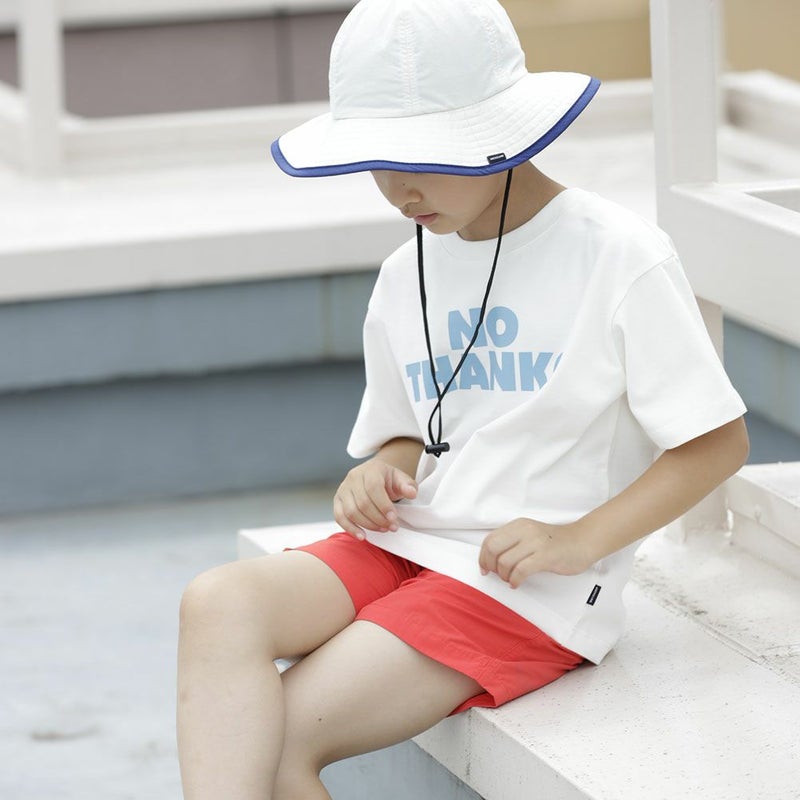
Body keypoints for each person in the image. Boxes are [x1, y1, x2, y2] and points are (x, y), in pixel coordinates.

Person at [176, 1, 749, 798]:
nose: (397, 189)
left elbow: (716, 443)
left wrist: (579, 539)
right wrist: (379, 471)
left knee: (276, 741)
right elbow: (408, 435)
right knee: (217, 602)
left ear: (502, 130)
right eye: (377, 161)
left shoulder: (618, 256)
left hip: (526, 588)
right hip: (411, 544)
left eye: (421, 156)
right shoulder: (403, 273)